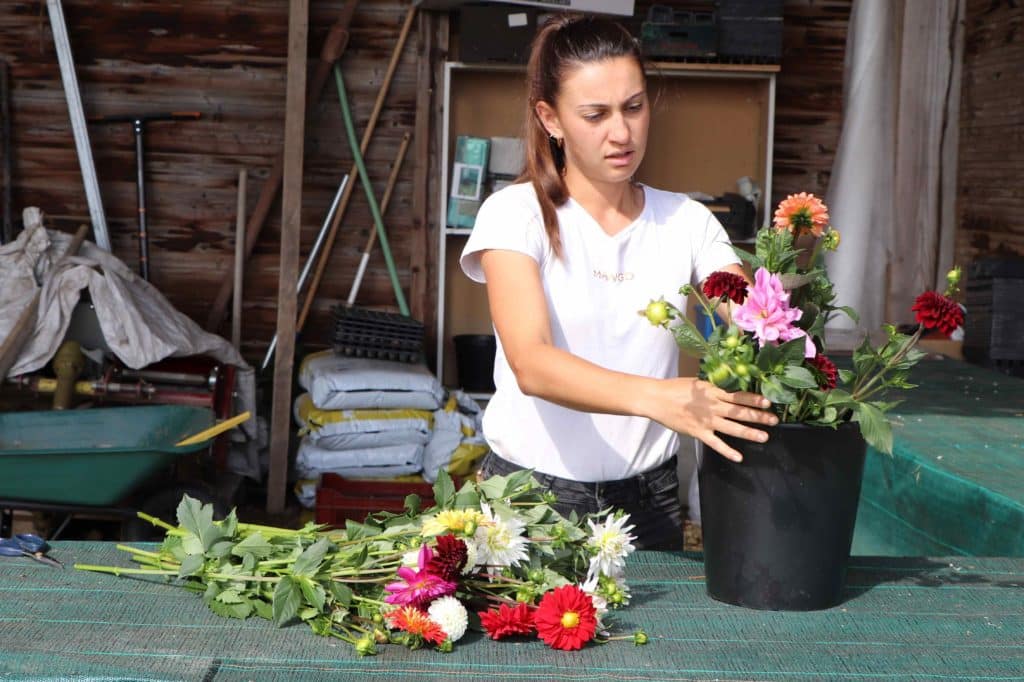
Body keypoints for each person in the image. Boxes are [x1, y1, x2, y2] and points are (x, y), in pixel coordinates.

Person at [459, 13, 778, 550]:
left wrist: (779, 320)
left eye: (634, 107)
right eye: (595, 114)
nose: (622, 132)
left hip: (648, 505)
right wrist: (660, 399)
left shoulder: (687, 222)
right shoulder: (515, 214)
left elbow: (751, 317)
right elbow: (531, 363)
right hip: (530, 504)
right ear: (550, 118)